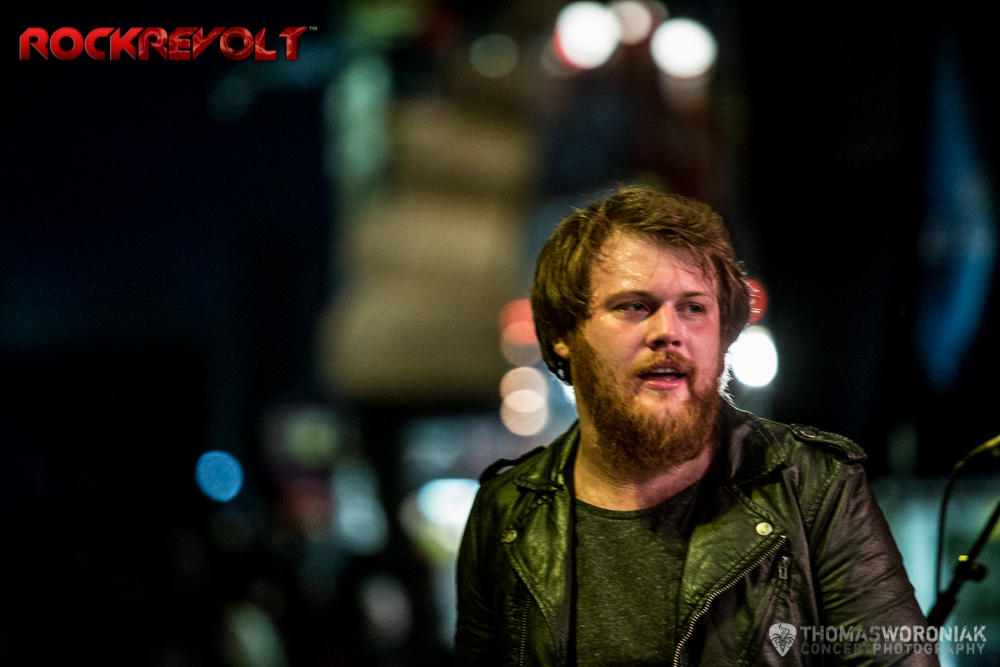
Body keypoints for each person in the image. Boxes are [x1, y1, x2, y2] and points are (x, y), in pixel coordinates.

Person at [455, 186, 936, 666]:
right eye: (634, 306)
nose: (670, 331)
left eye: (694, 308)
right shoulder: (506, 513)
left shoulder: (813, 488)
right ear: (563, 332)